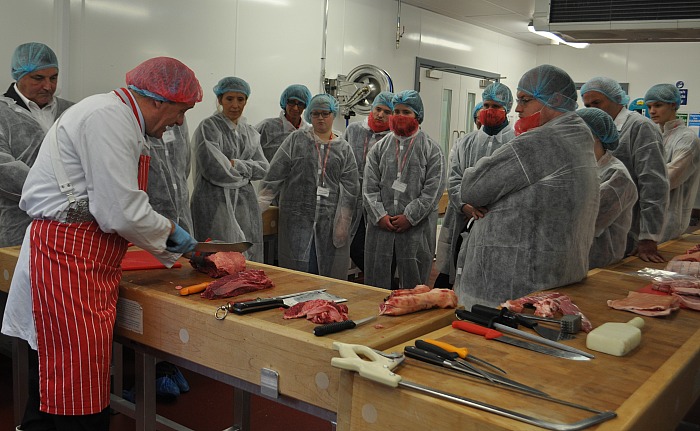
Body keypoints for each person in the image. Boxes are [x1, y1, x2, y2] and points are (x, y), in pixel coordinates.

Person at [1, 57, 202, 431]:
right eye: (180, 111)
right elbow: (119, 211)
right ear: (159, 100)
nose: (178, 122)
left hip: (85, 260)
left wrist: (165, 237)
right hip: (67, 259)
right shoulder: (109, 118)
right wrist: (175, 236)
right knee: (68, 386)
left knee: (70, 380)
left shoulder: (119, 117)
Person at [455, 65, 599, 308]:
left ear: (553, 100)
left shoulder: (542, 141)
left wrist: (475, 174)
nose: (518, 108)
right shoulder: (577, 137)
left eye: (525, 100)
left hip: (513, 284)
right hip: (554, 275)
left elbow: (473, 188)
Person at [258, 94, 359, 279]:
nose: (320, 118)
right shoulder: (296, 140)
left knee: (325, 275)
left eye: (325, 113)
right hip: (296, 221)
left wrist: (343, 222)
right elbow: (275, 174)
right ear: (309, 116)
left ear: (333, 114)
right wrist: (260, 205)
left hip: (329, 225)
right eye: (315, 113)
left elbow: (351, 189)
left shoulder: (343, 148)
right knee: (298, 274)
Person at [435, 82, 515, 288]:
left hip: (500, 223)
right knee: (456, 269)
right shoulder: (466, 143)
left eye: (496, 107)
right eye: (486, 105)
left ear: (507, 109)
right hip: (463, 218)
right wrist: (465, 206)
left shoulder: (516, 142)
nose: (489, 111)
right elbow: (454, 179)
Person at [363, 90, 446, 290]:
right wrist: (379, 215)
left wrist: (409, 217)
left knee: (413, 287)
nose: (399, 116)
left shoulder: (431, 149)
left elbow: (432, 191)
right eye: (396, 111)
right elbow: (368, 187)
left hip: (416, 229)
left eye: (406, 112)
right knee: (377, 283)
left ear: (417, 116)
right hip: (380, 228)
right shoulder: (379, 148)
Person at [581, 76, 669, 263]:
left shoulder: (639, 127)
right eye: (587, 106)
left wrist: (649, 236)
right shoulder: (594, 129)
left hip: (630, 225)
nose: (592, 109)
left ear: (617, 99)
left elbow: (653, 183)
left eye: (597, 102)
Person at [0, 42, 74, 247]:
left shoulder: (73, 111)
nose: (48, 86)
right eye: (38, 78)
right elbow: (4, 170)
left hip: (71, 228)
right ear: (18, 75)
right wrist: (60, 194)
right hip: (19, 227)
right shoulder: (3, 114)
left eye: (54, 78)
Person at [190, 77, 269, 262]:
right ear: (219, 100)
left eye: (240, 99)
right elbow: (215, 169)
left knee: (246, 261)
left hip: (244, 207)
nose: (235, 105)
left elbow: (264, 167)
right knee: (215, 258)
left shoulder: (250, 132)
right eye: (229, 99)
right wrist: (246, 170)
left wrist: (235, 164)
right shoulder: (208, 128)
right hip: (214, 205)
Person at [577, 107, 638, 269]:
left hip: (601, 261)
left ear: (594, 137)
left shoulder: (617, 175)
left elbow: (589, 220)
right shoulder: (581, 168)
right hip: (578, 259)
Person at [343, 91, 394, 272]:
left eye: (387, 112)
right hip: (352, 198)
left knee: (378, 248)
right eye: (378, 109)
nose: (380, 115)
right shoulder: (354, 130)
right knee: (352, 245)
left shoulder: (393, 138)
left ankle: (382, 283)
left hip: (379, 203)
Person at [644, 84, 700, 242]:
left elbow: (669, 178)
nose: (652, 111)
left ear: (673, 105)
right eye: (649, 106)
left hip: (670, 220)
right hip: (650, 216)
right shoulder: (657, 135)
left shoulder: (687, 139)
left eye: (658, 105)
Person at [147, 123, 193, 233]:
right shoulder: (145, 126)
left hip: (182, 215)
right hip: (152, 217)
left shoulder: (180, 126)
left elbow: (185, 167)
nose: (180, 120)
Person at [255, 84, 312, 162]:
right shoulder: (266, 126)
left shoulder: (308, 132)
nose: (295, 108)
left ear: (305, 106)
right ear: (285, 102)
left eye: (300, 104)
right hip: (268, 173)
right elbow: (251, 151)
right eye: (291, 102)